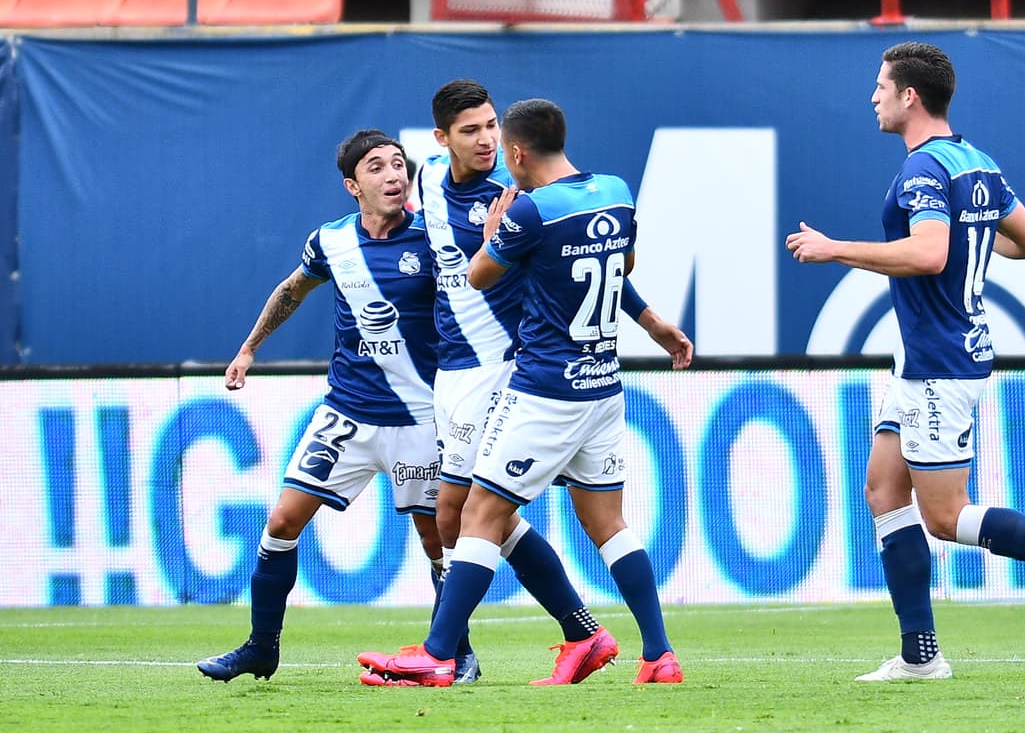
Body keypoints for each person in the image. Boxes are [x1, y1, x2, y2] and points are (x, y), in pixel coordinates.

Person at [786, 41, 1025, 681]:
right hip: (934, 350)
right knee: (883, 488)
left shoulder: (922, 170)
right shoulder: (976, 162)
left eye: (881, 86)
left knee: (946, 518)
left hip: (938, 360)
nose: (874, 96)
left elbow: (927, 255)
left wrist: (835, 248)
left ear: (909, 96)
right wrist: (974, 235)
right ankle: (920, 654)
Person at [358, 80, 691, 687]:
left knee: (469, 511)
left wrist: (646, 318)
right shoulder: (436, 178)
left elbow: (489, 273)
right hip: (546, 376)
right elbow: (610, 259)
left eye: (492, 128)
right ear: (441, 140)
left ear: (515, 148)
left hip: (520, 374)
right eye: (471, 129)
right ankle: (623, 643)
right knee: (570, 519)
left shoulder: (521, 201)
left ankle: (446, 654)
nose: (485, 140)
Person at [197, 129, 452, 682]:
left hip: (421, 418)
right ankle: (261, 646)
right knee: (283, 520)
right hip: (347, 414)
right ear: (352, 185)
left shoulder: (434, 240)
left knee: (437, 539)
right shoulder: (330, 241)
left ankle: (452, 649)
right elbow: (292, 289)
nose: (393, 175)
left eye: (398, 165)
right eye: (377, 167)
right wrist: (248, 348)